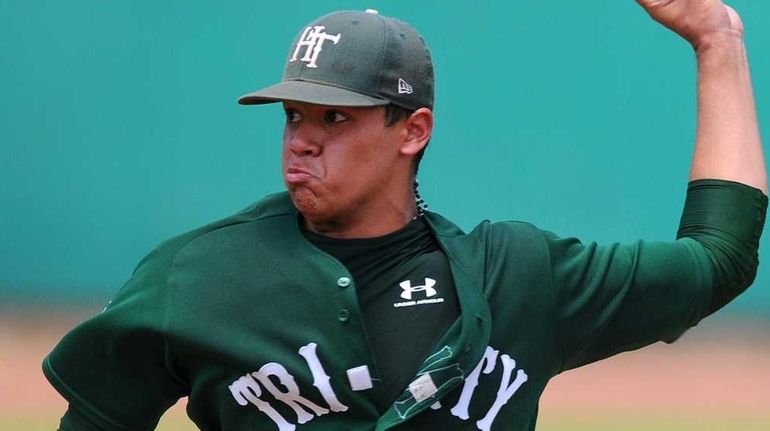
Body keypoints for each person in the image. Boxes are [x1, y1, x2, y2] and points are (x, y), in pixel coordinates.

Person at [44, 2, 767, 430]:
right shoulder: (196, 276)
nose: (302, 139)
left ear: (412, 131)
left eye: (335, 116)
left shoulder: (517, 275)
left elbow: (719, 258)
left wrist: (717, 41)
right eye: (293, 115)